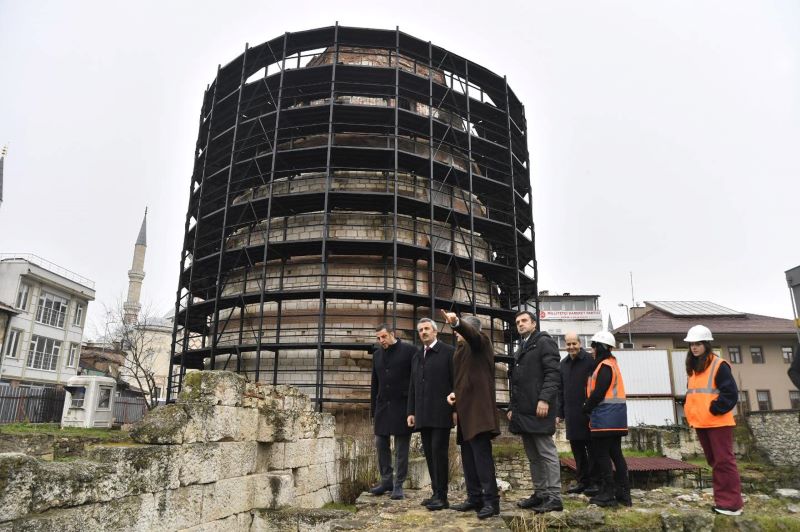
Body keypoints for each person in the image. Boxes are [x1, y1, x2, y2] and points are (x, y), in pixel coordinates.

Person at [441, 310, 501, 520]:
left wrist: (457, 322)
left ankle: (491, 502)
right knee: (468, 457)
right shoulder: (461, 350)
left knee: (482, 459)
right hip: (466, 412)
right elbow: (465, 380)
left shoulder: (480, 342)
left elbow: (472, 336)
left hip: (479, 412)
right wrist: (454, 395)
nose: (456, 333)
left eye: (460, 330)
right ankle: (474, 497)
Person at [683, 324, 744, 516]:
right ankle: (723, 502)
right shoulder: (694, 369)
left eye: (698, 343)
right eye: (692, 344)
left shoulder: (719, 365)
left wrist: (715, 408)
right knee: (714, 462)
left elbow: (731, 393)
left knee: (724, 462)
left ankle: (732, 505)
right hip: (701, 422)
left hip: (717, 422)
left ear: (707, 344)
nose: (694, 347)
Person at [507, 310, 563, 513]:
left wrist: (544, 399)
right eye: (517, 322)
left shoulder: (544, 342)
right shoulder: (523, 346)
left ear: (533, 323)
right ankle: (541, 494)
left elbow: (553, 374)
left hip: (539, 408)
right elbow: (517, 382)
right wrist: (512, 408)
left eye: (524, 321)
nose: (520, 324)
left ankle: (555, 497)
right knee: (532, 455)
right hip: (524, 410)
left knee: (546, 452)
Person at [407, 318, 455, 511]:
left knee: (439, 454)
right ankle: (435, 493)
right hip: (423, 413)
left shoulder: (448, 352)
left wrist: (455, 410)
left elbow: (456, 384)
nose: (423, 332)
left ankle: (443, 497)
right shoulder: (418, 355)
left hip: (441, 413)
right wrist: (411, 411)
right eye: (420, 330)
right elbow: (412, 385)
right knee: (429, 454)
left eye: (427, 329)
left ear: (435, 332)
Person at [583, 330, 630, 507]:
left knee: (601, 454)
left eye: (594, 346)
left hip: (605, 417)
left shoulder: (604, 366)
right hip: (616, 417)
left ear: (600, 347)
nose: (592, 350)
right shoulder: (612, 363)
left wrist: (586, 407)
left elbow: (599, 392)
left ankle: (608, 492)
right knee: (616, 454)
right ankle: (624, 494)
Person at [369, 323, 417, 499]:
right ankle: (386, 481)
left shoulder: (409, 351)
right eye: (378, 338)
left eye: (384, 336)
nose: (381, 340)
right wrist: (373, 411)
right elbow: (375, 384)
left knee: (401, 448)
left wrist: (414, 409)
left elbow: (415, 381)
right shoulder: (376, 355)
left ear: (392, 334)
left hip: (403, 406)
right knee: (381, 443)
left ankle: (398, 485)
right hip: (383, 407)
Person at [557, 332, 599, 496]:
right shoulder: (563, 364)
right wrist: (559, 413)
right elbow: (560, 391)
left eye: (574, 343)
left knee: (593, 450)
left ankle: (595, 482)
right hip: (572, 414)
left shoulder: (590, 361)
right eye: (568, 344)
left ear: (580, 343)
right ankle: (582, 482)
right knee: (577, 451)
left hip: (589, 413)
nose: (571, 347)